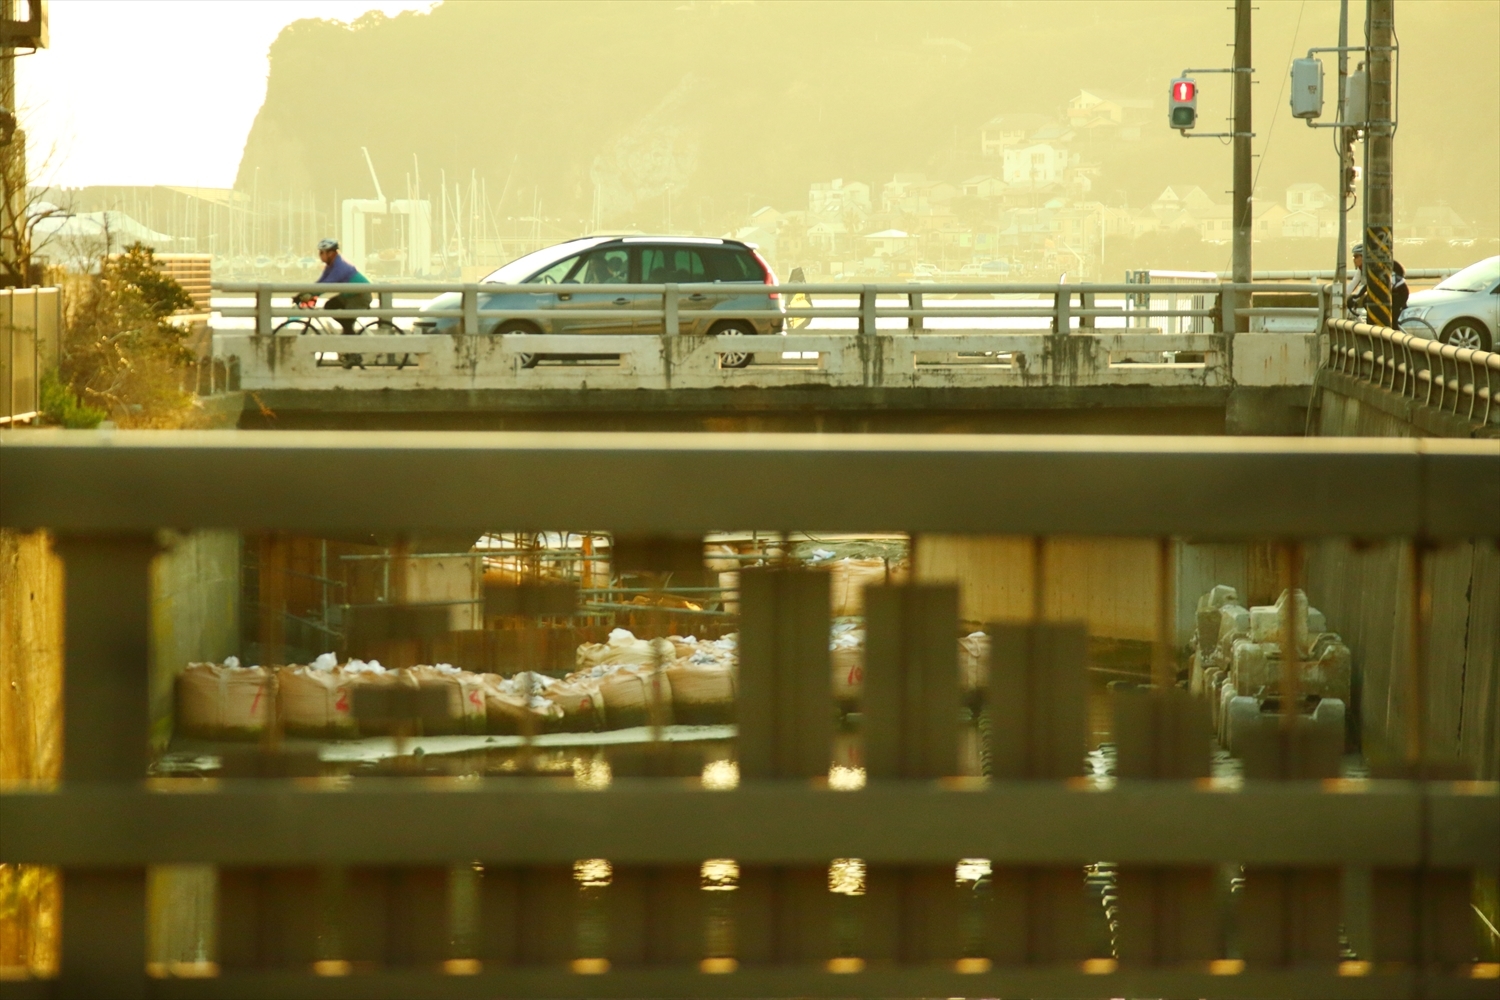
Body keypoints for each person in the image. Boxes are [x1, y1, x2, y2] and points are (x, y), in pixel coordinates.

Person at [310, 238, 371, 335]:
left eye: (322, 252)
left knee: (347, 321)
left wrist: (310, 294)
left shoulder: (340, 266)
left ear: (330, 253)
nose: (320, 255)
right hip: (349, 295)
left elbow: (327, 284)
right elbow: (321, 282)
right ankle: (348, 335)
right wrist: (306, 293)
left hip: (359, 296)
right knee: (330, 306)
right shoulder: (331, 265)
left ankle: (352, 339)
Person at [1346, 243, 1408, 326]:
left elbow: (1370, 284)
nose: (1354, 259)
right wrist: (1343, 296)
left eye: (1356, 256)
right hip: (1388, 292)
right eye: (1353, 257)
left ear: (1364, 257)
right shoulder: (1362, 269)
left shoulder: (1376, 266)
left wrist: (1356, 296)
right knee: (1366, 301)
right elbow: (1353, 284)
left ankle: (1395, 332)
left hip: (1399, 292)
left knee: (1391, 320)